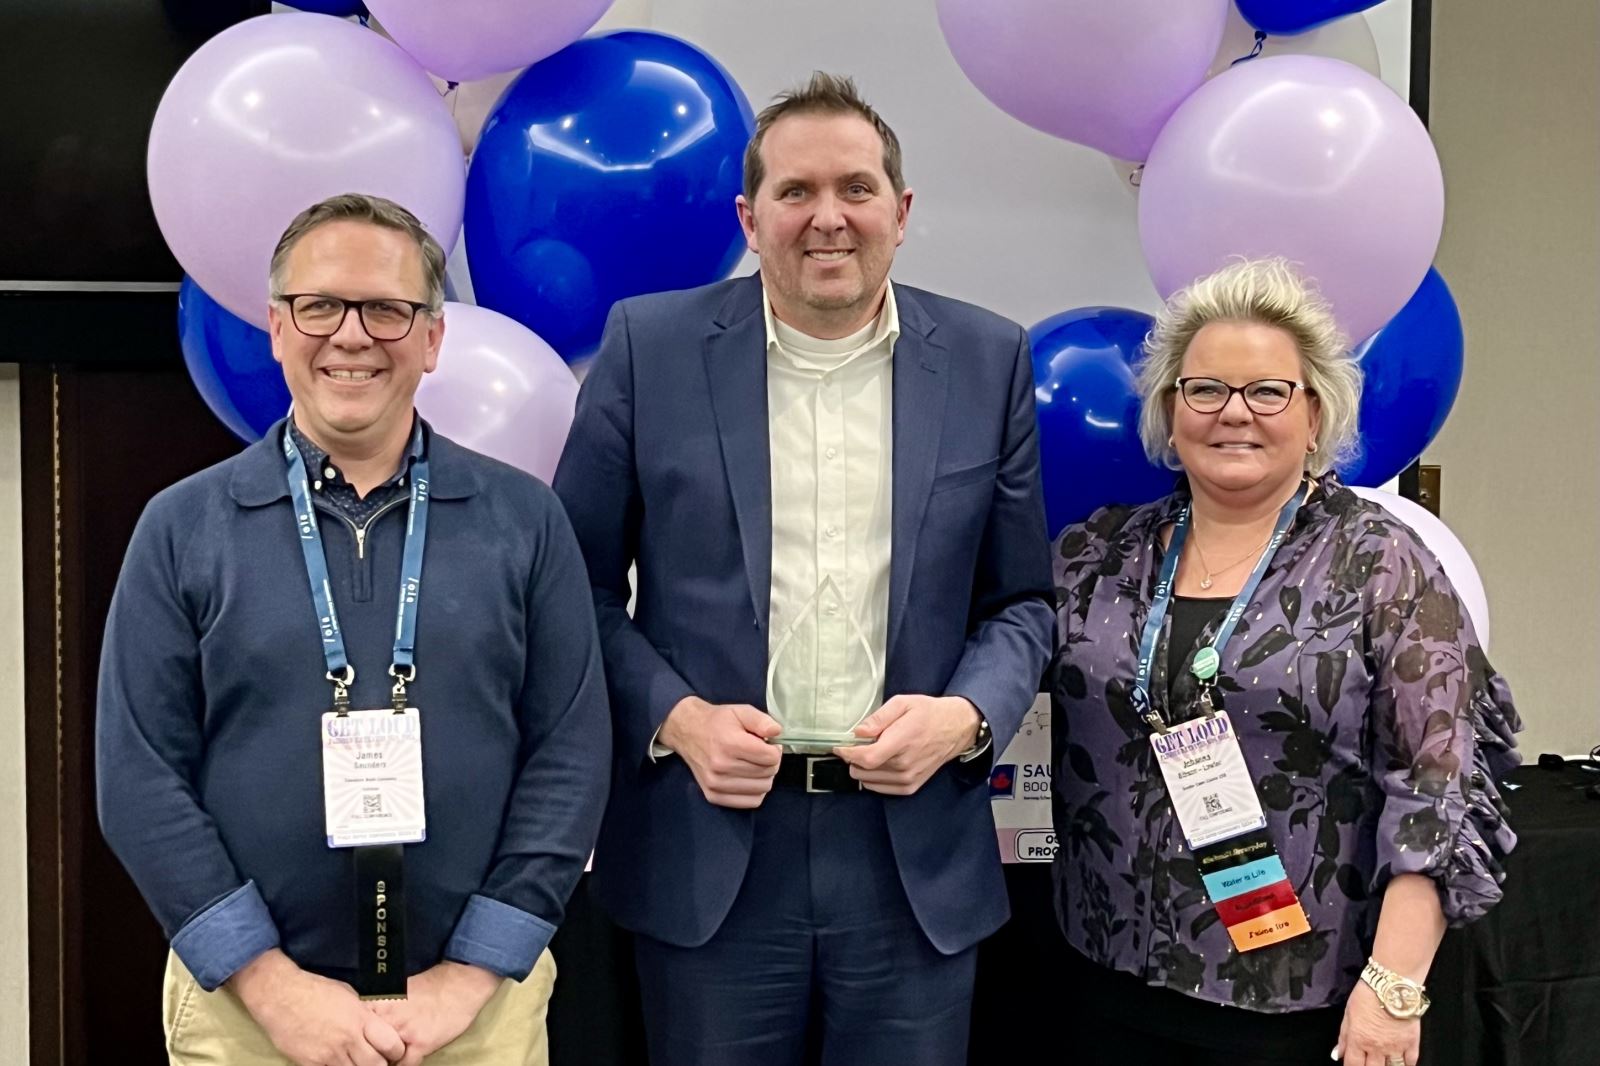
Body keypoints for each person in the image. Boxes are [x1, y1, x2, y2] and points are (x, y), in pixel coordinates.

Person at [552, 72, 1053, 1066]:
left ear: (901, 213)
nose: (829, 218)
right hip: (713, 855)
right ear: (750, 216)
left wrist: (964, 718)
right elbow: (575, 591)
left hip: (910, 863)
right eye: (796, 192)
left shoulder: (989, 361)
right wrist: (676, 718)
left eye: (856, 189)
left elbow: (1021, 602)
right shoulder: (648, 351)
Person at [97, 192, 610, 1066]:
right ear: (276, 325)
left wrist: (474, 976)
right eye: (320, 305)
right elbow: (138, 779)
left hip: (476, 1021)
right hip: (249, 1020)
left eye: (387, 308)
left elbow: (569, 758)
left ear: (433, 337)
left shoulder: (525, 521)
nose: (351, 335)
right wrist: (270, 986)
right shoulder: (182, 527)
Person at [1048, 258, 1520, 1066]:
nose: (1236, 413)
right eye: (1206, 390)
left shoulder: (1380, 563)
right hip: (1103, 977)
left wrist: (1395, 987)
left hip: (1300, 1005)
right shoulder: (1099, 553)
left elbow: (1440, 788)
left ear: (1314, 413)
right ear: (1171, 409)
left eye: (1268, 390)